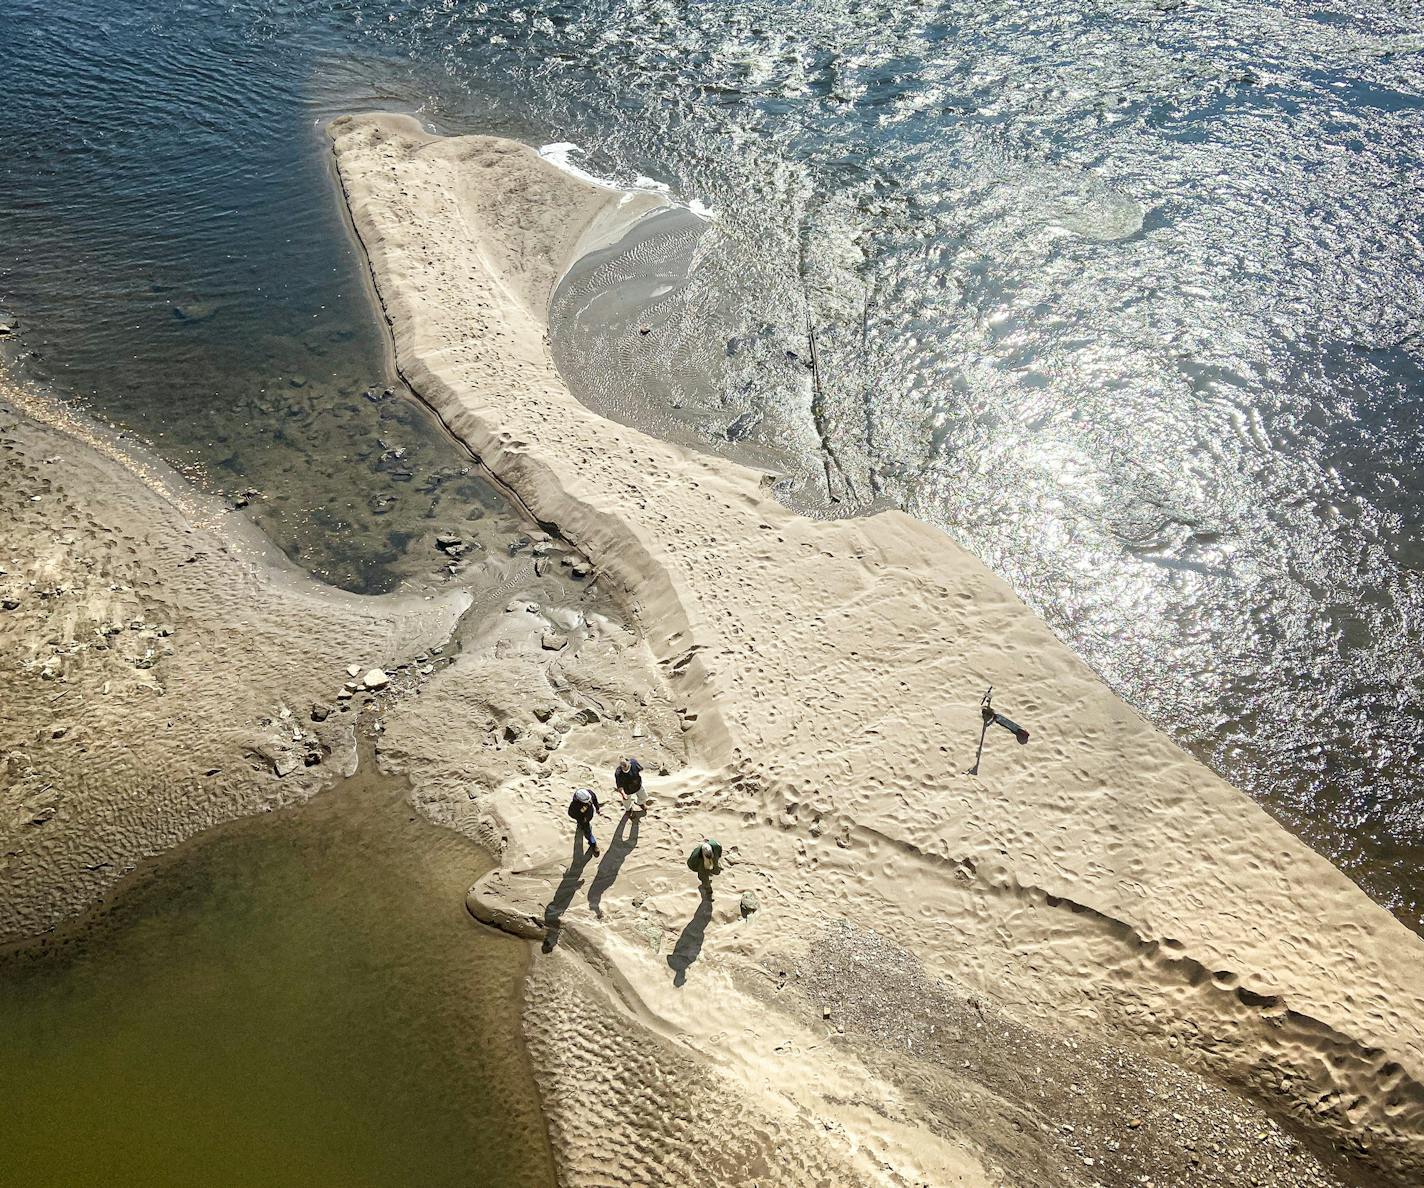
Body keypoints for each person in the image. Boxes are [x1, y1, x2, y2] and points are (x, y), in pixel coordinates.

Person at [567, 787, 601, 856]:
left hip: (589, 815)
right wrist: (582, 820)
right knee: (588, 832)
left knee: (585, 827)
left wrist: (597, 808)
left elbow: (594, 799)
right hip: (583, 821)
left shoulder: (589, 793)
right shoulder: (574, 806)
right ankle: (593, 844)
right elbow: (571, 814)